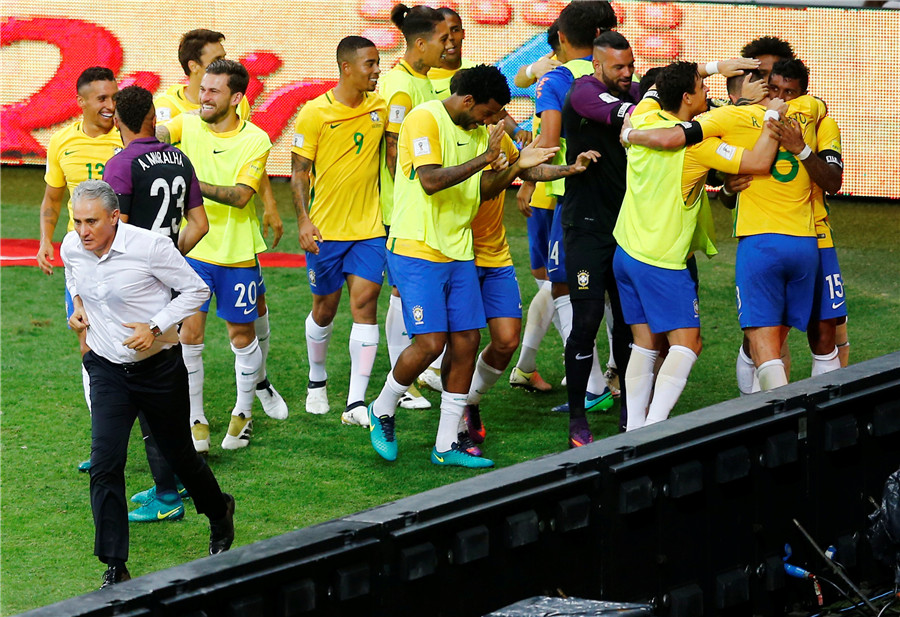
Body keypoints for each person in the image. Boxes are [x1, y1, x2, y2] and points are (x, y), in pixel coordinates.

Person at [367, 65, 557, 468]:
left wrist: (515, 168)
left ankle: (446, 444)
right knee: (430, 344)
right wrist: (486, 158)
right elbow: (431, 180)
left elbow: (484, 190)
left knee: (467, 341)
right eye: (488, 113)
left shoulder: (480, 132)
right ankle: (382, 408)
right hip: (417, 248)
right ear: (468, 101)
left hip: (460, 250)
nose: (491, 121)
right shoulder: (424, 118)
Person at [61, 180, 234, 589]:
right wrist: (79, 308)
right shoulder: (72, 246)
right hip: (106, 370)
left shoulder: (150, 247)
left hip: (158, 370)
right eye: (77, 221)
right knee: (104, 464)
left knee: (180, 457)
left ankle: (219, 511)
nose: (82, 231)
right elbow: (73, 277)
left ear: (114, 217)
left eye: (91, 222)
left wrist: (155, 326)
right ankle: (115, 565)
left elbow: (196, 289)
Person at [614, 61, 782, 429]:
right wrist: (772, 113)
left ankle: (633, 428)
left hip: (625, 252)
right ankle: (653, 428)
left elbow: (659, 87)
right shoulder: (698, 145)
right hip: (662, 260)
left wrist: (714, 67)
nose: (709, 91)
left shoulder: (644, 115)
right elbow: (758, 161)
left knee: (645, 343)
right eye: (702, 88)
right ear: (687, 98)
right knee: (688, 344)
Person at [156, 28, 288, 419]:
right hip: (193, 247)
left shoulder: (255, 136)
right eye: (204, 89)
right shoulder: (184, 119)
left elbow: (242, 194)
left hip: (237, 250)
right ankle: (195, 418)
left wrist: (191, 182)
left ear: (235, 98)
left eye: (214, 91)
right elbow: (156, 135)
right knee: (189, 333)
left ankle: (252, 397)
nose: (204, 97)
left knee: (244, 330)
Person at [101, 85, 209, 522]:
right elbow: (199, 223)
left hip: (136, 291)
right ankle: (176, 480)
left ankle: (167, 497)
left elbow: (116, 232)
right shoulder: (179, 158)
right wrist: (169, 261)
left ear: (117, 120)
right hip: (166, 287)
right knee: (165, 381)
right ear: (151, 116)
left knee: (144, 388)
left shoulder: (120, 164)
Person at [417, 5, 532, 394]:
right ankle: (403, 399)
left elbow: (516, 161)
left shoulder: (486, 120)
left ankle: (466, 401)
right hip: (450, 247)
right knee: (453, 341)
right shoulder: (430, 111)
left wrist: (560, 167)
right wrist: (493, 161)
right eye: (445, 33)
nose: (452, 40)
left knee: (503, 340)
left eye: (456, 31)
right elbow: (433, 180)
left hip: (491, 250)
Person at [291, 36, 386, 423]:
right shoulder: (314, 113)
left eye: (378, 63)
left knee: (365, 305)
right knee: (324, 310)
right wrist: (304, 220)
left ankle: (355, 403)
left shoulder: (381, 107)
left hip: (370, 229)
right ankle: (317, 379)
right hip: (326, 231)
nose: (376, 70)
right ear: (346, 68)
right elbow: (299, 172)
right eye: (370, 64)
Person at [530, 2, 618, 413]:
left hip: (574, 196)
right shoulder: (620, 73)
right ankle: (618, 378)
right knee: (617, 289)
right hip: (620, 196)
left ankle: (593, 388)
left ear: (561, 37)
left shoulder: (557, 79)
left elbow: (548, 144)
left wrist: (525, 170)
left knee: (566, 286)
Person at [37, 66, 121, 472]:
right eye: (102, 98)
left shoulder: (127, 138)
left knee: (140, 345)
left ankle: (167, 439)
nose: (110, 105)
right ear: (82, 102)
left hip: (125, 260)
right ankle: (103, 442)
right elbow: (53, 199)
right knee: (88, 346)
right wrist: (45, 241)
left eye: (114, 97)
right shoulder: (62, 142)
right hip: (82, 262)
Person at [559, 30, 639, 446]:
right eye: (618, 67)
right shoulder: (583, 94)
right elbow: (627, 112)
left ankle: (629, 410)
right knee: (587, 320)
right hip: (586, 228)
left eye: (631, 65)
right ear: (597, 65)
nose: (627, 73)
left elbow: (672, 92)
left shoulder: (637, 93)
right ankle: (577, 418)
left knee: (627, 324)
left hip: (627, 228)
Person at [377, 3, 453, 410]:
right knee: (400, 291)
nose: (449, 44)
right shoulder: (401, 86)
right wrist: (412, 194)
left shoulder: (423, 81)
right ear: (420, 43)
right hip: (402, 209)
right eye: (443, 38)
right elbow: (393, 152)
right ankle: (402, 380)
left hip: (419, 207)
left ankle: (423, 369)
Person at [755, 60, 847, 376]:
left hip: (817, 236)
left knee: (824, 334)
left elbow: (833, 182)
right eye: (775, 89)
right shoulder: (754, 119)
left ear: (803, 95)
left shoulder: (823, 124)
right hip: (768, 236)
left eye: (790, 93)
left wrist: (802, 149)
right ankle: (757, 405)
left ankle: (825, 407)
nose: (781, 99)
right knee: (764, 337)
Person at [509, 22, 563, 394]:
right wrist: (529, 182)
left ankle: (528, 366)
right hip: (555, 188)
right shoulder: (560, 70)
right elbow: (519, 78)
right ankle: (597, 373)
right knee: (554, 280)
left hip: (552, 187)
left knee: (556, 281)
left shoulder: (577, 69)